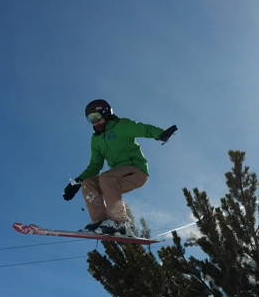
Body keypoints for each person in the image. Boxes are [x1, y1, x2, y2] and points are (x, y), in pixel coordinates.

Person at [63, 99, 176, 237]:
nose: (94, 122)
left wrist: (161, 134)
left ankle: (119, 223)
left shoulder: (121, 126)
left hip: (136, 171)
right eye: (90, 120)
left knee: (106, 177)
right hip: (117, 177)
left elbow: (143, 129)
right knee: (89, 183)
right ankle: (101, 223)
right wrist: (77, 181)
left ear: (106, 113)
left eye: (96, 117)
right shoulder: (96, 140)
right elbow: (95, 166)